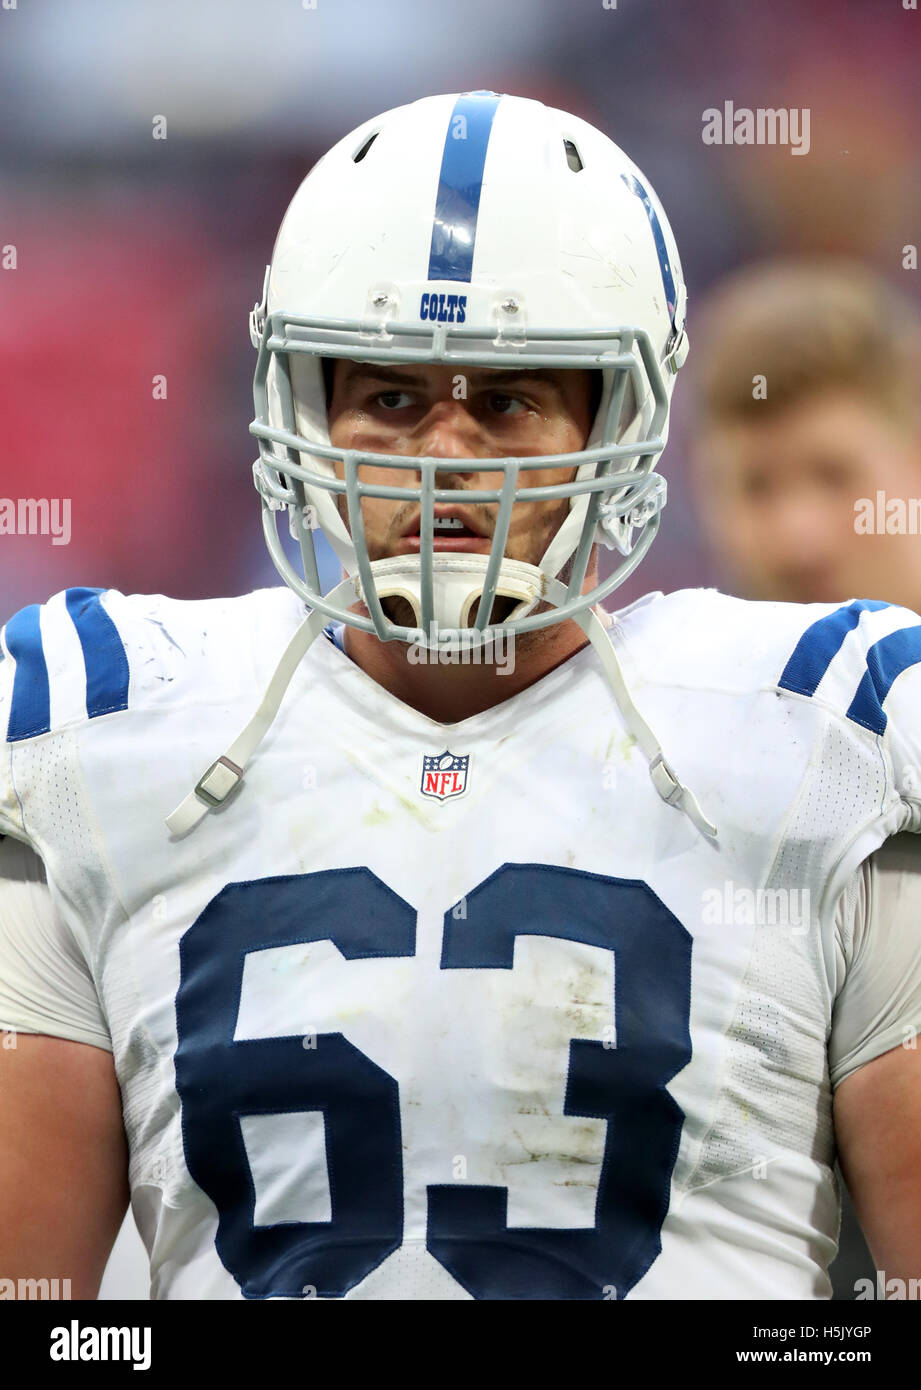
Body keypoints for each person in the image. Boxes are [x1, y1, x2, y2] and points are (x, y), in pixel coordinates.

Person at [1, 90, 920, 1302]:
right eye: (391, 398)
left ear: (623, 422)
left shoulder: (825, 733)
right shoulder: (103, 731)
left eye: (507, 401)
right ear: (301, 407)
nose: (444, 454)